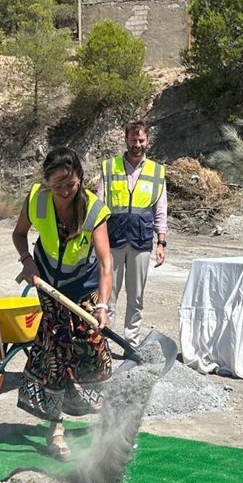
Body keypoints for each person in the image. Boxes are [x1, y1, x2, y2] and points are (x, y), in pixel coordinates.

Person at [12, 147, 113, 459]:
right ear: (47, 182)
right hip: (48, 284)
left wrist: (102, 306)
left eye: (70, 184)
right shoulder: (37, 200)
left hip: (83, 286)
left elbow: (105, 262)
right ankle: (55, 430)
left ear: (80, 178)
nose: (65, 191)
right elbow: (19, 235)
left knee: (93, 348)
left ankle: (108, 424)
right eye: (57, 185)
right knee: (55, 351)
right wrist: (27, 261)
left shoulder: (93, 209)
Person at [98, 119, 167, 343]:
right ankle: (106, 340)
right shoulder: (110, 168)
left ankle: (132, 341)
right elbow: (99, 206)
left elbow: (161, 210)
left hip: (141, 240)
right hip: (113, 239)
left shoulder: (157, 171)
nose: (137, 144)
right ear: (126, 139)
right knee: (109, 294)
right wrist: (96, 240)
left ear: (147, 140)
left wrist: (161, 242)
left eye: (141, 140)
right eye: (133, 140)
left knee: (136, 296)